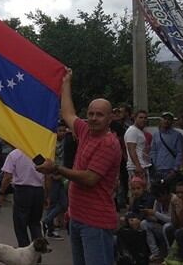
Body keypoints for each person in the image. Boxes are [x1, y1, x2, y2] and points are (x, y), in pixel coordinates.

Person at [36, 69, 122, 265]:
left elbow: (90, 178)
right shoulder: (85, 131)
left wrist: (56, 168)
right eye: (90, 113)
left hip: (96, 222)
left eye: (99, 115)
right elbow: (68, 113)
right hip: (77, 217)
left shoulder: (108, 143)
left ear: (110, 118)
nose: (93, 118)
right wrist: (66, 83)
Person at [0, 148, 45, 248]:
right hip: (38, 190)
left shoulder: (14, 154)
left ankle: (24, 250)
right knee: (35, 223)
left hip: (22, 190)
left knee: (20, 223)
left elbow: (7, 176)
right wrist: (47, 195)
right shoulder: (40, 154)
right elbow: (48, 176)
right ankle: (38, 251)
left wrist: (1, 193)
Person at [43, 121, 70, 240]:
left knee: (64, 203)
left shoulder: (67, 143)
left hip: (62, 176)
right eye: (60, 130)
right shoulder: (50, 144)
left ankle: (47, 221)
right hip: (52, 177)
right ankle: (50, 229)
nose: (62, 133)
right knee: (52, 203)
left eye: (64, 130)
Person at [141, 179, 174, 261]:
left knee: (167, 227)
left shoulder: (174, 200)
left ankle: (171, 253)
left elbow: (172, 220)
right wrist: (148, 216)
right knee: (144, 223)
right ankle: (155, 253)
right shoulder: (157, 201)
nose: (158, 199)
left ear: (166, 193)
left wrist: (155, 213)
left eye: (159, 196)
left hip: (173, 228)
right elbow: (156, 218)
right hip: (161, 227)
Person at [151, 112, 183, 181]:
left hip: (171, 169)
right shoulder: (156, 135)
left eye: (169, 119)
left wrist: (175, 169)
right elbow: (153, 151)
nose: (166, 121)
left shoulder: (177, 135)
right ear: (161, 120)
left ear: (172, 121)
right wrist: (154, 165)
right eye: (164, 119)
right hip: (158, 169)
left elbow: (180, 153)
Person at [125, 110, 152, 189]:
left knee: (145, 191)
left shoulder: (139, 131)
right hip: (136, 167)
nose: (143, 119)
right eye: (140, 117)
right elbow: (131, 149)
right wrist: (138, 166)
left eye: (145, 118)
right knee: (136, 192)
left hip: (143, 165)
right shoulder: (132, 131)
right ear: (135, 118)